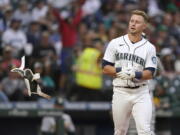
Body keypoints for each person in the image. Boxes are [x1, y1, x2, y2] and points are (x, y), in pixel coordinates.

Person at [102, 10, 157, 135]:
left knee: (145, 131)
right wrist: (121, 70)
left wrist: (135, 74)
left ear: (144, 26)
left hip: (141, 92)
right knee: (120, 131)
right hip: (120, 91)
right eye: (132, 21)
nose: (133, 24)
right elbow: (105, 67)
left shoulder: (149, 47)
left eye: (137, 22)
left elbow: (150, 72)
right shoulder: (115, 43)